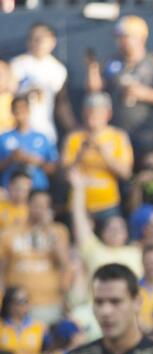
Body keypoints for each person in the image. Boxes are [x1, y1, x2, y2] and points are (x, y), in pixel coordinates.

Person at [85, 15, 153, 155]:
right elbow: (95, 90)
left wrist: (144, 94)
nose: (120, 41)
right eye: (118, 37)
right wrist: (92, 69)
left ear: (140, 38)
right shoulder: (111, 62)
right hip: (115, 134)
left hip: (145, 134)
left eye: (125, 36)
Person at [0, 196, 71, 328]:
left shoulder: (59, 230)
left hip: (49, 301)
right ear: (27, 205)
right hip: (16, 304)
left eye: (45, 207)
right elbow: (2, 268)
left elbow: (64, 262)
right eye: (36, 205)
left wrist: (48, 229)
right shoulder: (10, 233)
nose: (40, 210)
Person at [61, 93, 133, 221]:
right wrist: (80, 154)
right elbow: (64, 174)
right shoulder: (74, 138)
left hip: (108, 204)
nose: (92, 115)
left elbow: (126, 173)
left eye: (98, 111)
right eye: (89, 110)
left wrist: (104, 153)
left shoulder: (118, 137)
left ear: (108, 114)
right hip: (79, 204)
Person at [9, 22, 74, 144]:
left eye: (41, 38)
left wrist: (74, 128)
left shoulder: (58, 70)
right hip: (17, 132)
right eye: (33, 38)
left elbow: (61, 103)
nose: (37, 42)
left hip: (45, 131)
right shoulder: (16, 65)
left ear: (52, 41)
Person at [0, 93, 58, 190]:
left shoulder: (42, 138)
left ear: (29, 110)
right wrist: (11, 159)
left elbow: (54, 168)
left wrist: (35, 161)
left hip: (37, 190)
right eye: (16, 109)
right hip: (10, 192)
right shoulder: (3, 138)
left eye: (23, 109)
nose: (20, 112)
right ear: (12, 112)